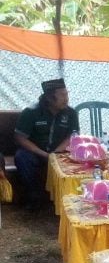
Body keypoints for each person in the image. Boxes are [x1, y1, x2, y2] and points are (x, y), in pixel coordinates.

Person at [14, 78, 79, 211]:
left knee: (79, 159)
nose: (66, 98)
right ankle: (34, 197)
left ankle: (67, 200)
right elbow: (20, 138)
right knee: (21, 157)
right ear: (49, 98)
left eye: (67, 94)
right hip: (36, 152)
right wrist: (43, 154)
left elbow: (72, 136)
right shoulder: (31, 112)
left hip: (60, 152)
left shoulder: (71, 113)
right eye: (62, 95)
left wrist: (56, 153)